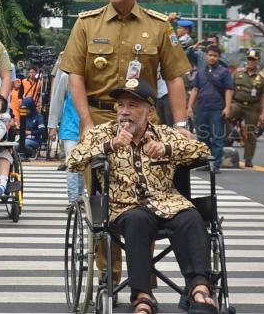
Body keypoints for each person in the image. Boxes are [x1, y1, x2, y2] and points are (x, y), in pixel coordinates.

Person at [59, 0, 193, 289]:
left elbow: (176, 77)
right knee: (103, 201)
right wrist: (87, 122)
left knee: (144, 195)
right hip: (101, 117)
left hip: (143, 122)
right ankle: (108, 274)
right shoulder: (87, 23)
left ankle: (141, 277)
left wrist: (179, 126)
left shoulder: (158, 25)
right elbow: (75, 75)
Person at [67, 78, 216, 314]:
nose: (124, 112)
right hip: (124, 207)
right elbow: (73, 160)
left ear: (151, 111)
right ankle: (142, 296)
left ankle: (199, 289)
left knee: (191, 217)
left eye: (133, 106)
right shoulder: (102, 133)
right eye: (121, 105)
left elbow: (203, 151)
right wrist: (110, 146)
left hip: (168, 202)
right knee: (137, 220)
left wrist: (168, 149)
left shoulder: (165, 134)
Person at [186, 45, 233, 173]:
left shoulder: (224, 72)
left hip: (217, 109)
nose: (212, 58)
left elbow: (229, 90)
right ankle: (206, 162)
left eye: (215, 56)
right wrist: (189, 107)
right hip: (201, 108)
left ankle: (216, 165)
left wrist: (227, 107)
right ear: (206, 56)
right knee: (202, 137)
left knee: (217, 137)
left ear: (218, 57)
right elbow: (195, 89)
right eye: (210, 55)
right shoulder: (200, 72)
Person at [48, 69, 84, 205]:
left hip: (90, 127)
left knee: (84, 165)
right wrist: (52, 126)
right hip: (70, 127)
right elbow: (57, 101)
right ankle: (74, 200)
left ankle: (82, 198)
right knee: (73, 163)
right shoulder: (66, 77)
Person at [228, 49, 264, 167]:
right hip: (238, 103)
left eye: (254, 60)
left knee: (251, 132)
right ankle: (225, 146)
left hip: (253, 106)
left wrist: (263, 113)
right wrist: (228, 105)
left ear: (258, 61)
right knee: (225, 119)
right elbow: (230, 89)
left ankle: (248, 158)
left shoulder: (262, 77)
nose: (251, 62)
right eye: (249, 59)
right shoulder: (238, 73)